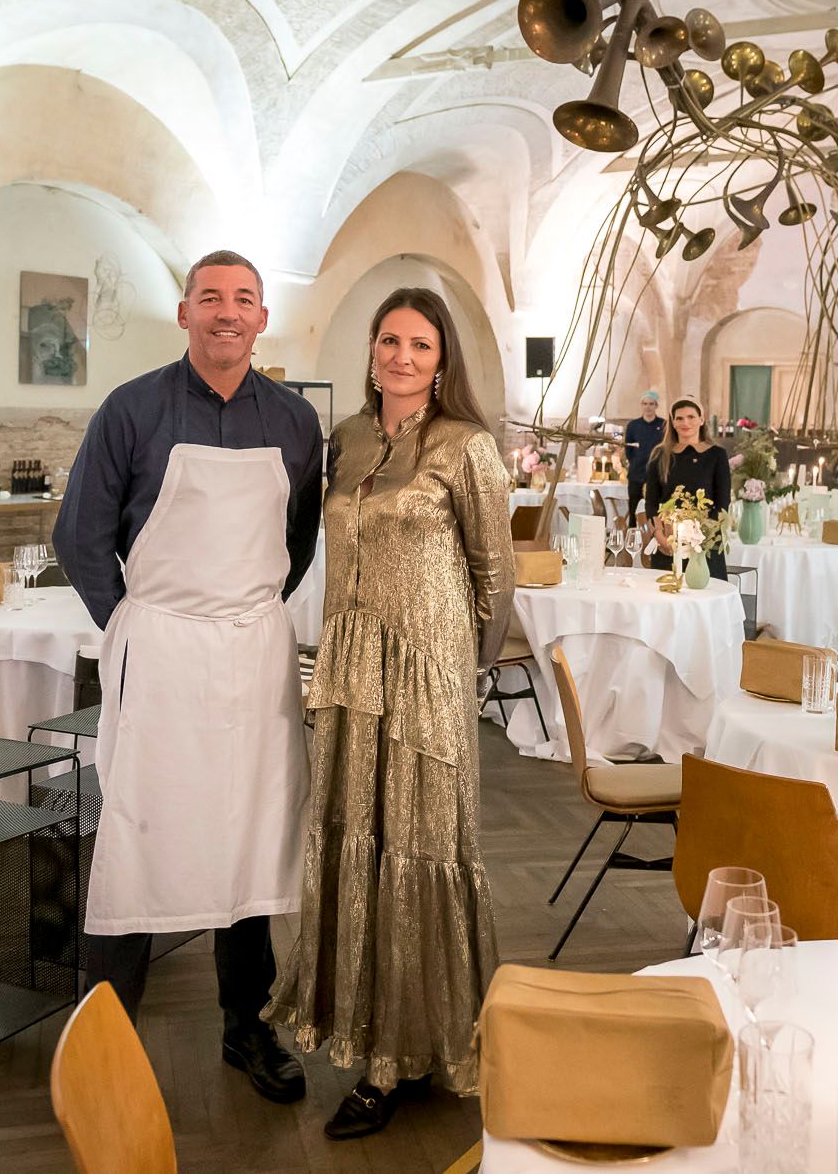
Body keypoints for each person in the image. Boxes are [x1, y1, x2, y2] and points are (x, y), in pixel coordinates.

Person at [51, 250, 323, 1104]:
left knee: (250, 834)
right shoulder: (130, 409)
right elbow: (79, 536)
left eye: (243, 298)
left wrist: (239, 612)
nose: (226, 311)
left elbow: (297, 541)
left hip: (252, 656)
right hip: (162, 654)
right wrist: (139, 628)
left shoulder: (295, 421)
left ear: (262, 318)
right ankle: (103, 1044)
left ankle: (249, 1024)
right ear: (184, 312)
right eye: (210, 297)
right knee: (140, 833)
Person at [265, 287, 513, 1138]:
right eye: (390, 340)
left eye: (420, 344)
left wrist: (462, 676)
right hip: (351, 670)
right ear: (372, 350)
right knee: (357, 839)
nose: (402, 356)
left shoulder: (466, 445)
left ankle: (408, 1052)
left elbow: (495, 575)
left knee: (422, 844)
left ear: (442, 361)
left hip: (427, 679)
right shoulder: (346, 439)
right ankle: (368, 1030)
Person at [642, 397, 733, 579]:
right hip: (668, 541)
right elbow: (651, 502)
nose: (685, 423)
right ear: (673, 422)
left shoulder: (717, 455)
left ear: (701, 419)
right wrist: (660, 536)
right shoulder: (660, 454)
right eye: (679, 418)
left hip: (704, 543)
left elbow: (723, 502)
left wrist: (702, 536)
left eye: (691, 417)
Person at [623, 391, 665, 512]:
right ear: (641, 405)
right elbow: (628, 448)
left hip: (657, 474)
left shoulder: (664, 425)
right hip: (636, 474)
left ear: (656, 406)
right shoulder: (633, 425)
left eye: (651, 404)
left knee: (655, 509)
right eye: (645, 404)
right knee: (634, 508)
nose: (648, 407)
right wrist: (636, 462)